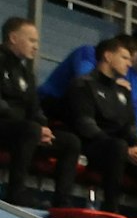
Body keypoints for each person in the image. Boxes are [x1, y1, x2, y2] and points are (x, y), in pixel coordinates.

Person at [1, 18, 81, 207]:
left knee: (71, 142)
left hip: (24, 130)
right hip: (5, 125)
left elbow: (35, 107)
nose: (36, 47)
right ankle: (16, 192)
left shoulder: (26, 72)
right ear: (13, 38)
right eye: (31, 40)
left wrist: (43, 127)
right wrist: (33, 127)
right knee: (29, 130)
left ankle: (62, 201)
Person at [63, 36, 137, 208]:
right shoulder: (83, 84)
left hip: (122, 149)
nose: (129, 64)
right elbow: (85, 124)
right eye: (124, 58)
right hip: (93, 147)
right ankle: (111, 208)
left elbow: (130, 125)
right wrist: (124, 148)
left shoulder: (124, 91)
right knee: (117, 147)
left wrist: (136, 146)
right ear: (108, 56)